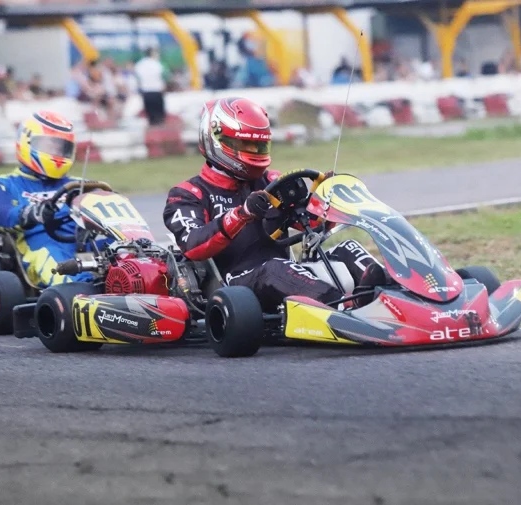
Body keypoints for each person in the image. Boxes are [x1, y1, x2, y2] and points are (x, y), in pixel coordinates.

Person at [163, 97, 388, 312]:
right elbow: (192, 245)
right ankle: (342, 309)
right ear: (217, 141)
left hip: (289, 275)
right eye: (246, 145)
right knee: (275, 269)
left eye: (259, 147)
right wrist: (242, 215)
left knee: (347, 248)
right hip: (235, 288)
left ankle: (390, 296)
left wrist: (325, 199)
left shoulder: (272, 182)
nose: (254, 152)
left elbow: (315, 226)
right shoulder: (188, 194)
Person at [0, 110, 92, 288]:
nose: (56, 152)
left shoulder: (81, 185)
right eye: (49, 146)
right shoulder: (2, 184)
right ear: (27, 142)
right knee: (52, 255)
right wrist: (31, 213)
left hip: (86, 245)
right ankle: (84, 295)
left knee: (125, 250)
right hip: (41, 248)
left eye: (61, 148)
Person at [135, 47, 166, 126]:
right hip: (156, 91)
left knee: (150, 116)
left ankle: (152, 130)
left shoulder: (140, 64)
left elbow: (138, 78)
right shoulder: (157, 63)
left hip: (146, 92)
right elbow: (163, 76)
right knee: (159, 116)